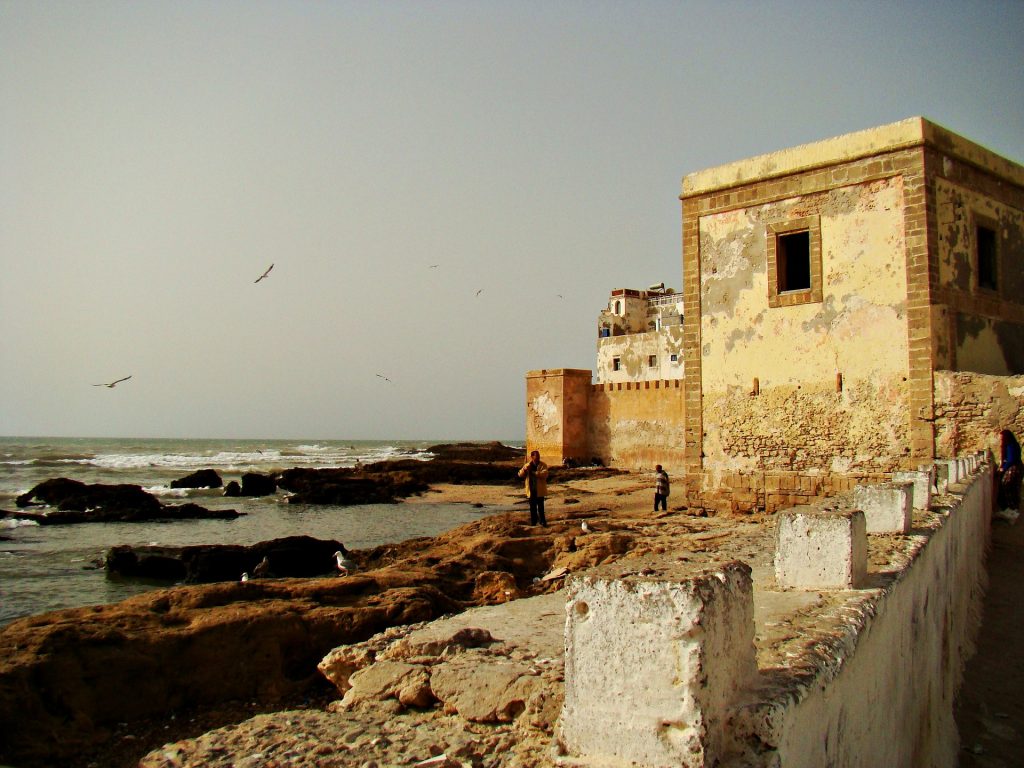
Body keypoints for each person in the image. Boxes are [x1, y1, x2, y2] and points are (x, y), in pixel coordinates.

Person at [518, 450, 549, 526]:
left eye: (539, 456)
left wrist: (534, 473)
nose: (538, 457)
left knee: (541, 508)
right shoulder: (527, 465)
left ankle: (543, 522)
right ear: (532, 457)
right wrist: (525, 470)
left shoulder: (543, 465)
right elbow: (520, 474)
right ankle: (533, 522)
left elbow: (544, 474)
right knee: (532, 508)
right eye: (536, 456)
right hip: (531, 490)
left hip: (540, 490)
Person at [996, 429, 1023, 513]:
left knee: (1007, 484)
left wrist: (1003, 468)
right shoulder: (1011, 445)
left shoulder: (1011, 446)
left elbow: (1011, 459)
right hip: (1015, 467)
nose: (1000, 441)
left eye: (1001, 439)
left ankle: (1012, 507)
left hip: (1014, 468)